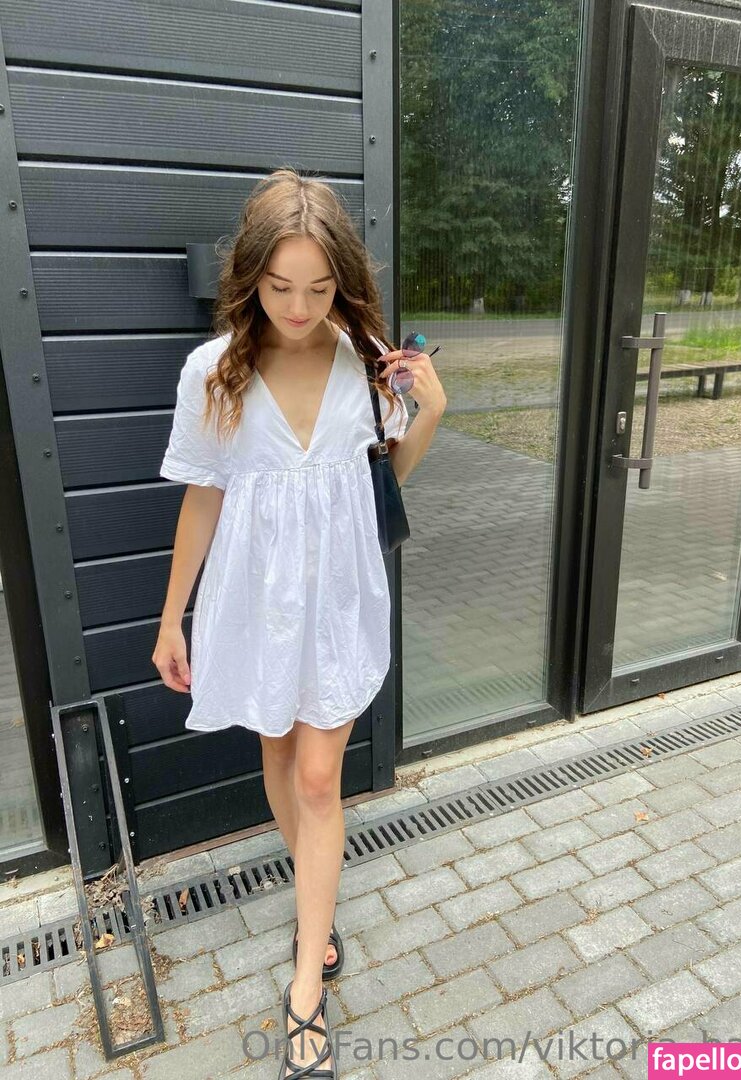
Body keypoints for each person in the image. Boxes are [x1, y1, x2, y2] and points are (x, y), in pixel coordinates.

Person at [152, 167, 447, 1079]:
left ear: (342, 282)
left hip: (341, 600)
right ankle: (316, 902)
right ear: (250, 276)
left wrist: (430, 409)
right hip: (256, 601)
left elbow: (381, 483)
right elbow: (203, 498)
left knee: (319, 777)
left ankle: (305, 988)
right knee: (280, 759)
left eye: (319, 289)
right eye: (280, 286)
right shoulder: (215, 371)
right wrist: (173, 619)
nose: (298, 306)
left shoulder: (366, 356)